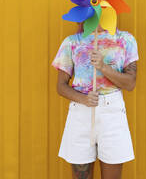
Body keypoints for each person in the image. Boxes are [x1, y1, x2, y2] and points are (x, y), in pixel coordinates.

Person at [51, 20, 139, 179]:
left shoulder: (125, 39)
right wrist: (83, 98)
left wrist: (103, 67)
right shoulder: (72, 42)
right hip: (80, 113)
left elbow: (130, 83)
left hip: (112, 113)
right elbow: (61, 86)